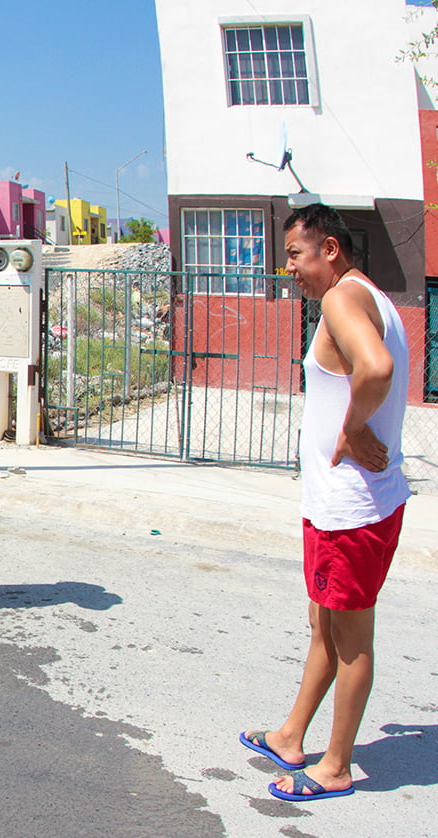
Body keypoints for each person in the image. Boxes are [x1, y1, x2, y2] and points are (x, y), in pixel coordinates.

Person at [240, 203, 409, 801]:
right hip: (336, 504)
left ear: (329, 250)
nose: (289, 268)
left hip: (353, 508)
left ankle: (335, 767)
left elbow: (378, 368)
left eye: (294, 254)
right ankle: (292, 734)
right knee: (322, 623)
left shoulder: (342, 298)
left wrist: (352, 430)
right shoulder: (367, 296)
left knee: (351, 640)